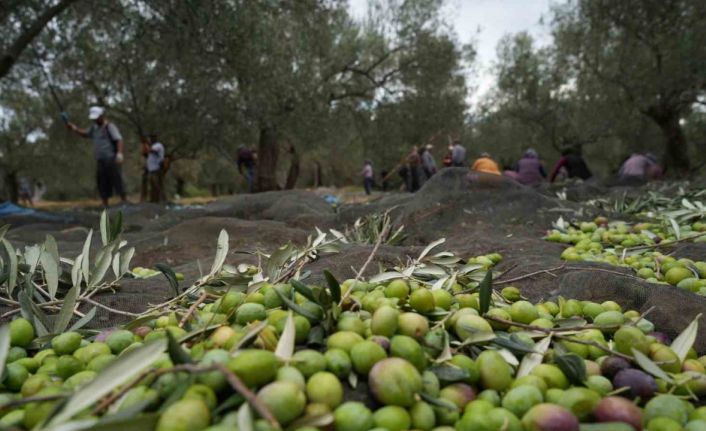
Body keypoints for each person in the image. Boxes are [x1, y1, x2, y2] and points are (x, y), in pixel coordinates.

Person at [66, 106, 126, 206]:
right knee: (102, 181)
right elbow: (86, 134)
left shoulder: (109, 126)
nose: (95, 120)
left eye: (96, 118)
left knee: (117, 179)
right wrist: (74, 129)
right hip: (100, 159)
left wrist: (119, 153)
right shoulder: (94, 128)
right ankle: (105, 203)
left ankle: (124, 200)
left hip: (111, 158)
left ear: (101, 116)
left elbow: (119, 139)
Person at [147, 133, 165, 203]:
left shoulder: (158, 145)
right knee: (153, 185)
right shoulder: (153, 146)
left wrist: (147, 144)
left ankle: (160, 200)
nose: (151, 139)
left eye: (152, 138)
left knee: (156, 184)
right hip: (152, 169)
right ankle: (154, 200)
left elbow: (153, 151)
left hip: (156, 168)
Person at [139, 136, 150, 202]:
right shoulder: (144, 146)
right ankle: (143, 198)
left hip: (147, 168)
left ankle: (144, 198)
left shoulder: (146, 146)